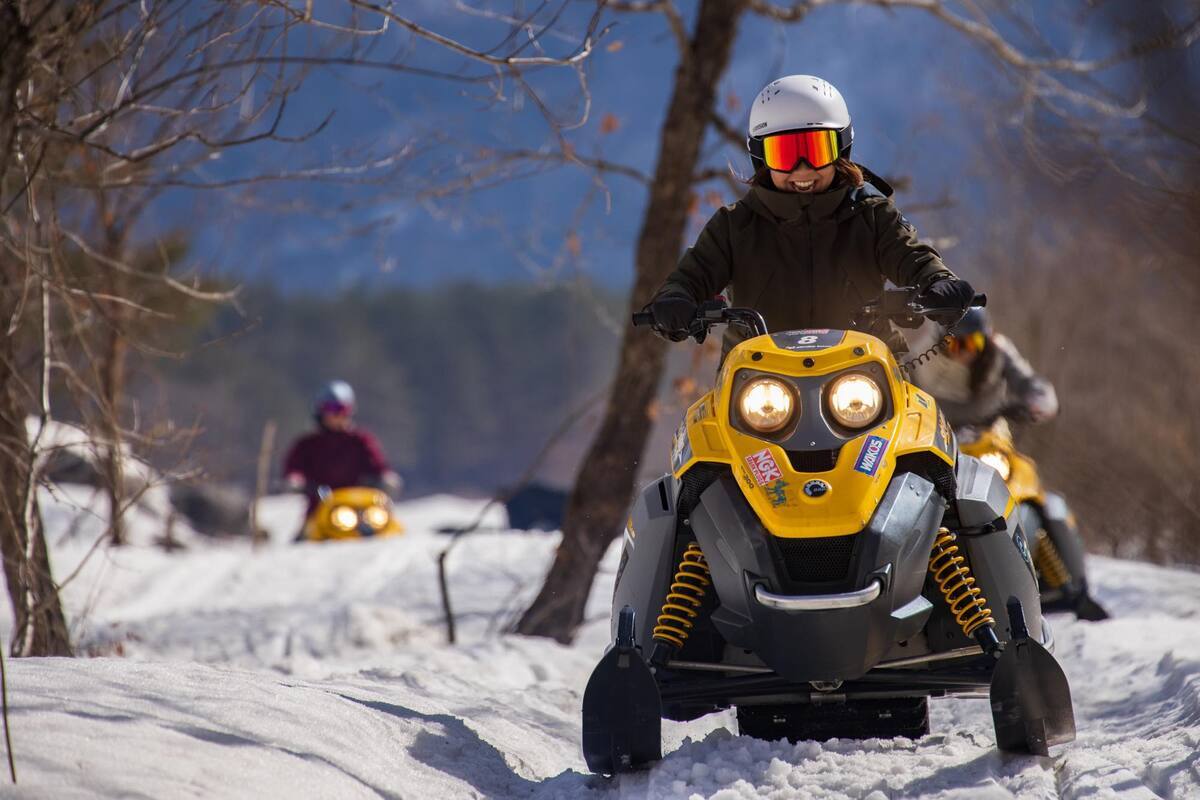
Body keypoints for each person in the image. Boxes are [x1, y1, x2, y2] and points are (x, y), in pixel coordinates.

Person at [646, 75, 976, 354]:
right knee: (703, 428)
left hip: (866, 370)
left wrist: (937, 281)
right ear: (761, 158)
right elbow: (693, 275)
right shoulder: (734, 226)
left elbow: (912, 257)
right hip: (757, 378)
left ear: (841, 151)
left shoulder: (872, 217)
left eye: (816, 151)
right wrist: (675, 301)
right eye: (785, 154)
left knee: (921, 424)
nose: (802, 170)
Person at [907, 307, 1058, 429]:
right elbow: (897, 376)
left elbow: (1030, 383)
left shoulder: (999, 354)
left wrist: (1034, 404)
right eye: (956, 344)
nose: (965, 351)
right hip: (929, 429)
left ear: (986, 340)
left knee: (1018, 466)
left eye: (974, 342)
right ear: (941, 342)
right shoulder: (923, 355)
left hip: (984, 432)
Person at [282, 380, 402, 519]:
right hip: (320, 511)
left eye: (342, 409)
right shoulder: (307, 444)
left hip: (362, 508)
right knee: (306, 537)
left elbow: (377, 464)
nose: (337, 415)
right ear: (321, 411)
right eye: (331, 409)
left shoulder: (360, 440)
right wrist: (295, 480)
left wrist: (385, 477)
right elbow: (294, 468)